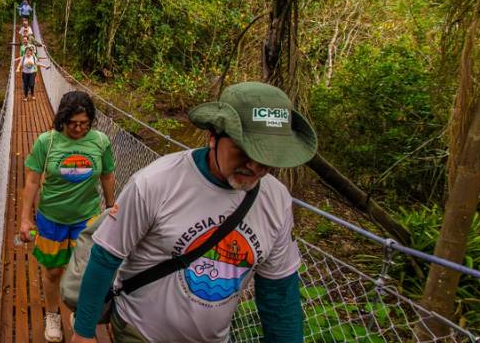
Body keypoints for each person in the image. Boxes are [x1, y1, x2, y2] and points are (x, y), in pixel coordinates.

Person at [70, 81, 317, 343]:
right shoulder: (156, 182)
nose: (255, 166)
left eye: (268, 156)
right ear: (213, 136)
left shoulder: (276, 200)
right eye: (244, 151)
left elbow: (279, 295)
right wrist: (84, 333)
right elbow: (106, 256)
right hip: (140, 332)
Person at [19, 91, 118, 342]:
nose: (78, 128)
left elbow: (107, 175)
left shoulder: (100, 141)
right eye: (73, 123)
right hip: (52, 218)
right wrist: (24, 219)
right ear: (63, 119)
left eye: (84, 123)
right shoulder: (47, 142)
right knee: (53, 271)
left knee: (86, 270)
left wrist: (111, 208)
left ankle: (79, 313)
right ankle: (52, 315)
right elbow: (31, 181)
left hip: (87, 218)